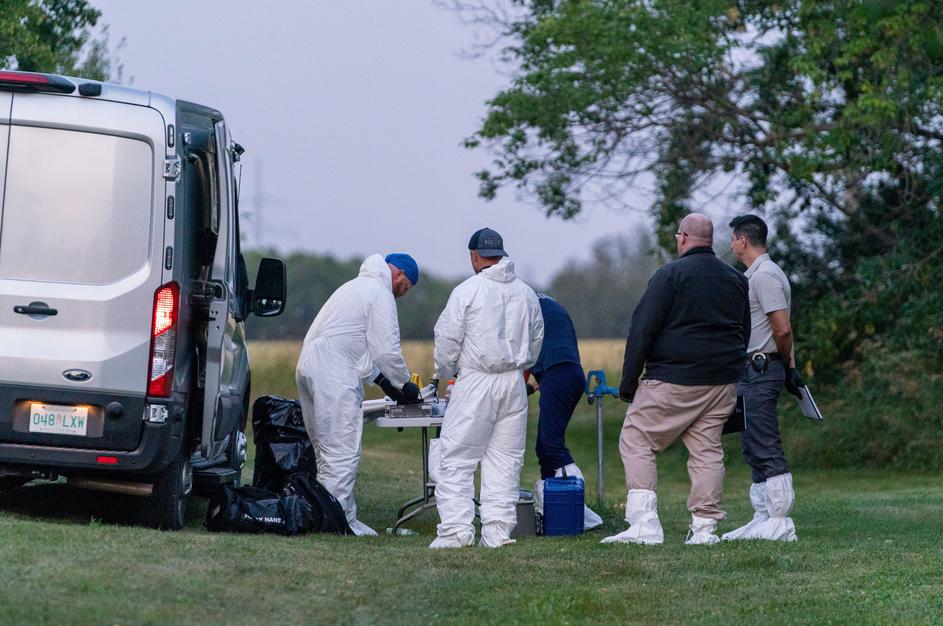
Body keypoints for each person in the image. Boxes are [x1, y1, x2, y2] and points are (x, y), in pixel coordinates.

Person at [602, 214, 750, 546]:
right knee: (707, 449)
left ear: (682, 238)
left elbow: (643, 329)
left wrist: (628, 383)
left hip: (674, 377)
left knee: (637, 438)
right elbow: (744, 329)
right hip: (722, 381)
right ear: (710, 240)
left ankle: (644, 524)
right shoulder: (736, 279)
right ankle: (704, 529)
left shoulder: (670, 275)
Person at [429, 228, 544, 548]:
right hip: (514, 383)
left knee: (457, 457)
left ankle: (456, 531)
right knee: (505, 460)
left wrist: (446, 372)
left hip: (476, 380)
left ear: (474, 256)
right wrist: (520, 367)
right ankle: (496, 532)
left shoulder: (467, 291)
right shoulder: (526, 293)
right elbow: (536, 341)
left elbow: (447, 340)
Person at [295, 253, 422, 537]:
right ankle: (338, 523)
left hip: (308, 367)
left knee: (325, 451)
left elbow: (354, 349)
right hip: (333, 375)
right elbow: (387, 350)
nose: (403, 294)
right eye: (406, 287)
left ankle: (331, 515)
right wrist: (405, 384)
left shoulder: (353, 287)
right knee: (342, 451)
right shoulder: (380, 294)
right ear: (400, 275)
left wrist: (385, 383)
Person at [722, 214, 802, 542]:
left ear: (743, 240)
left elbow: (782, 329)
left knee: (765, 442)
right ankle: (763, 516)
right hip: (751, 370)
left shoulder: (765, 275)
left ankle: (780, 520)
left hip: (762, 368)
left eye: (732, 239)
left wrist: (786, 365)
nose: (731, 245)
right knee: (752, 443)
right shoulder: (754, 275)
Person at [527, 292, 603, 531]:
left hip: (558, 373)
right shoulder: (545, 302)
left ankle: (579, 513)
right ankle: (552, 511)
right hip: (567, 372)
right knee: (544, 447)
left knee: (550, 444)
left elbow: (516, 357)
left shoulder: (519, 303)